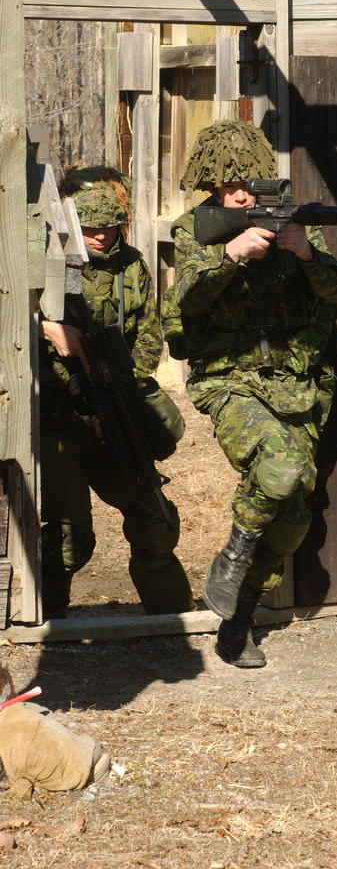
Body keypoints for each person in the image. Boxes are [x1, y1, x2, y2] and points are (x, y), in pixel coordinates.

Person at [172, 120, 337, 668]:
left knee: (292, 521)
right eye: (229, 188)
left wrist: (307, 254)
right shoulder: (194, 229)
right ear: (212, 186)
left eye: (247, 184)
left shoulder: (294, 221)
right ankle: (230, 560)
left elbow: (336, 290)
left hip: (296, 386)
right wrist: (230, 256)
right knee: (278, 467)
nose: (242, 196)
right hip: (230, 380)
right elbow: (187, 301)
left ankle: (238, 620)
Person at [39, 165, 194, 619]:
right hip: (56, 423)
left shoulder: (131, 266)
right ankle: (43, 624)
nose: (101, 236)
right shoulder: (44, 261)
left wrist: (119, 389)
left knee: (155, 520)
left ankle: (171, 619)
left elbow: (148, 334)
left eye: (109, 226)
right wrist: (47, 329)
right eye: (90, 227)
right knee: (70, 540)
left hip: (112, 410)